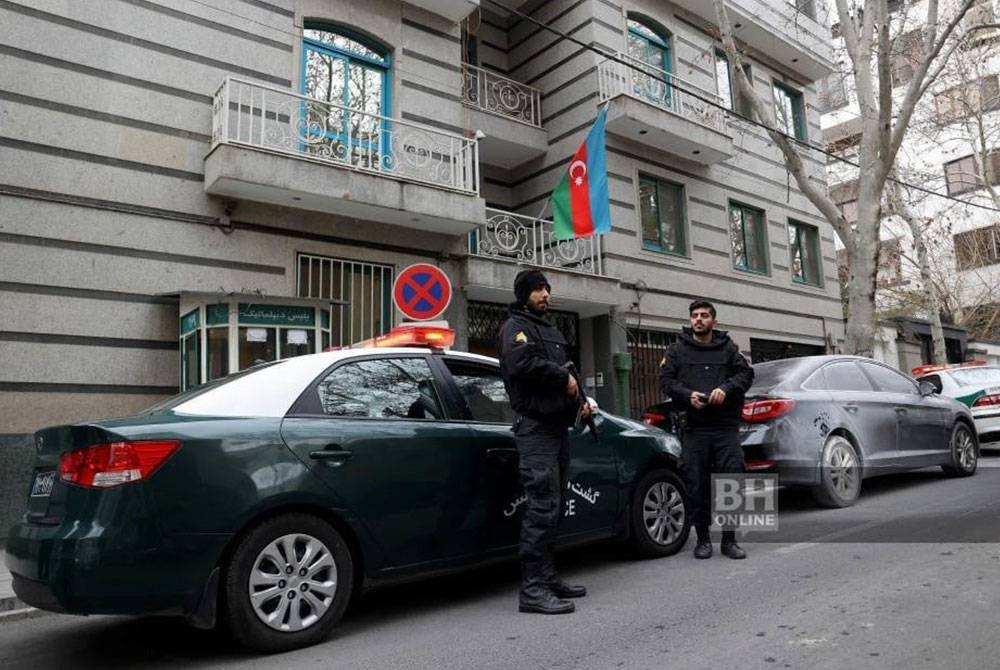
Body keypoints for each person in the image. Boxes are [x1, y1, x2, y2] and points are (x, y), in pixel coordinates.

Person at [498, 268, 590, 615]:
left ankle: (548, 576)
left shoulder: (549, 328)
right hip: (535, 428)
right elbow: (522, 365)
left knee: (555, 505)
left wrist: (581, 400)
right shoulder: (514, 328)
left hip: (556, 427)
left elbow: (567, 372)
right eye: (537, 289)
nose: (545, 294)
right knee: (541, 507)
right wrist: (562, 377)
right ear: (523, 294)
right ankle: (532, 590)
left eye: (547, 289)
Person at [659, 299, 754, 560]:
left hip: (725, 428)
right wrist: (688, 395)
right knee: (696, 485)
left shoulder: (729, 348)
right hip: (695, 429)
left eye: (703, 315)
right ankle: (702, 539)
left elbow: (746, 375)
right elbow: (666, 381)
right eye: (694, 316)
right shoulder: (677, 350)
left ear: (714, 320)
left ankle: (729, 540)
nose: (698, 319)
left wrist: (726, 389)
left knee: (731, 482)